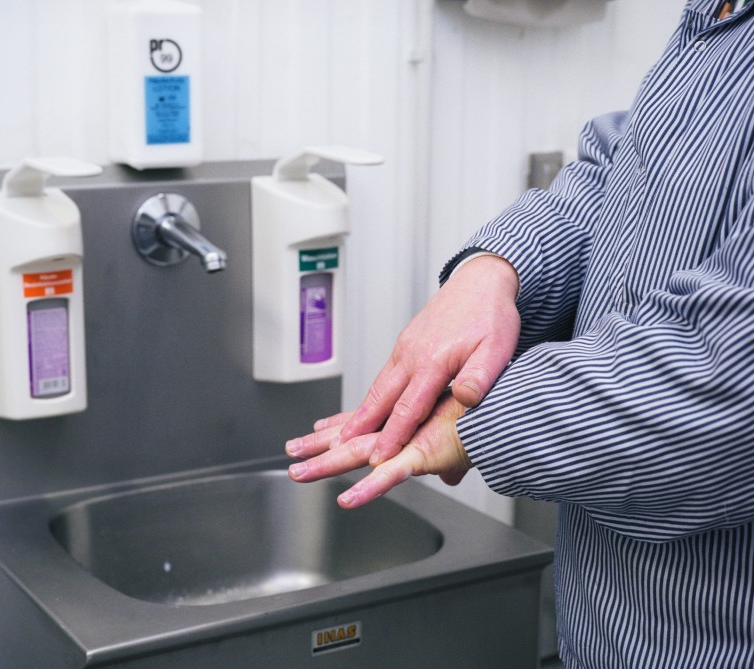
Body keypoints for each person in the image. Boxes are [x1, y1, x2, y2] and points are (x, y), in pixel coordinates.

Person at [286, 1, 754, 667]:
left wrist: (470, 421)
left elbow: (724, 380)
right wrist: (493, 269)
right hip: (608, 628)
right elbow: (626, 164)